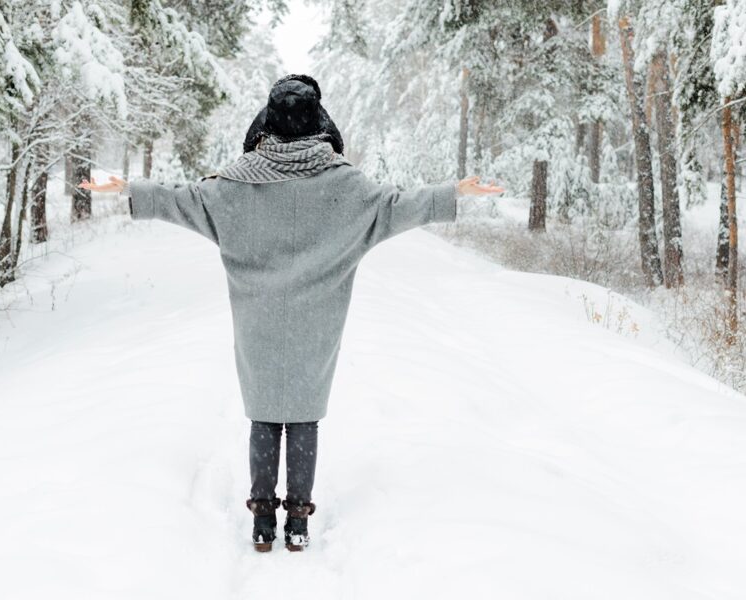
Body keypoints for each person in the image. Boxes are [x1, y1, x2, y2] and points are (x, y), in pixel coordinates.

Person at [80, 74, 505, 552]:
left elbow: (179, 200)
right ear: (318, 123)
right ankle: (298, 522)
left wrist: (126, 188)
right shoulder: (347, 187)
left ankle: (262, 519)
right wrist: (456, 192)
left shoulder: (234, 186)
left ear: (268, 122)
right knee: (303, 418)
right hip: (315, 326)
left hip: (257, 324)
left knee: (263, 418)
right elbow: (398, 206)